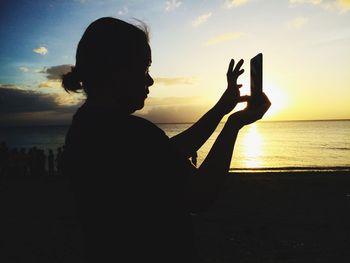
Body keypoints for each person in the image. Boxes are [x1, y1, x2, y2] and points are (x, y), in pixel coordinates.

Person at [62, 17, 270, 263]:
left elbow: (169, 153)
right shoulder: (133, 134)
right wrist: (234, 125)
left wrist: (221, 108)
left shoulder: (85, 125)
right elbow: (200, 194)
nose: (149, 80)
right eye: (144, 68)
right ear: (115, 69)